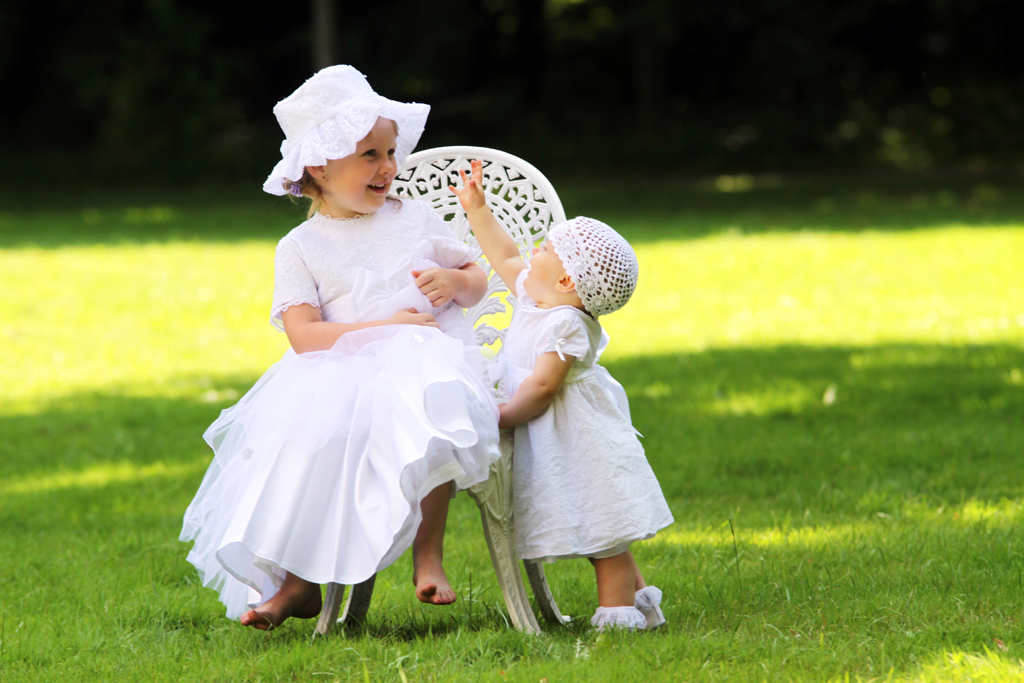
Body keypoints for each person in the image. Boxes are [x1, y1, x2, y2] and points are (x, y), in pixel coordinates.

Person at [180, 66, 501, 630]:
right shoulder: (301, 247)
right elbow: (305, 336)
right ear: (319, 169)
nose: (389, 168)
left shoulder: (414, 217)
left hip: (423, 362)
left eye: (390, 152)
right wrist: (382, 328)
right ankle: (300, 583)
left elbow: (477, 277)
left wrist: (456, 285)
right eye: (370, 155)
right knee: (313, 438)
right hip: (340, 369)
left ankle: (430, 554)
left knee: (428, 409)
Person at [450, 160, 675, 631]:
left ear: (568, 281)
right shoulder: (539, 297)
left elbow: (544, 385)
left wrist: (505, 415)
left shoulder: (565, 323)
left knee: (603, 530)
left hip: (580, 436)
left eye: (548, 248)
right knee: (604, 524)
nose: (535, 248)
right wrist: (478, 211)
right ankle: (644, 607)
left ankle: (616, 617)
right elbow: (505, 255)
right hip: (561, 433)